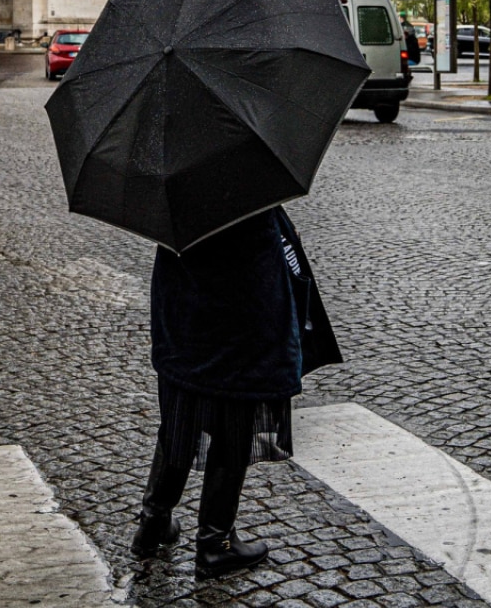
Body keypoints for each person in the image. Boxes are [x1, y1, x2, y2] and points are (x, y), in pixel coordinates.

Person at [133, 205, 341, 579]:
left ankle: (153, 522)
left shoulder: (172, 186)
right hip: (239, 336)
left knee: (179, 424)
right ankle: (216, 543)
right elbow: (271, 279)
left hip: (183, 325)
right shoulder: (251, 192)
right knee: (233, 429)